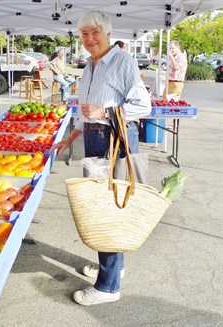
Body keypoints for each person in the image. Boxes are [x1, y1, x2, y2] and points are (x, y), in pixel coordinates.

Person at [49, 10, 151, 306]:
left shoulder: (122, 61)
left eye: (95, 33)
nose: (89, 39)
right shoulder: (90, 65)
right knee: (102, 206)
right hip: (95, 137)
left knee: (109, 210)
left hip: (114, 140)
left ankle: (108, 287)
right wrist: (70, 137)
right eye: (84, 34)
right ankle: (114, 266)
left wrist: (105, 112)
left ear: (107, 33)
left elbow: (142, 105)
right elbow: (85, 110)